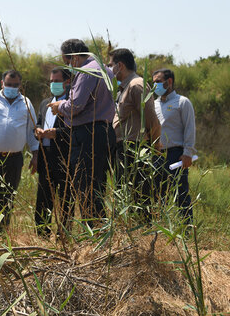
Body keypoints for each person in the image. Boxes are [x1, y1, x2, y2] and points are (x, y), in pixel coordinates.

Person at [48, 39, 116, 222]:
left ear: (74, 57)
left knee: (86, 188)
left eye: (67, 61)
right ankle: (98, 231)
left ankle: (93, 234)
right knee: (97, 187)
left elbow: (75, 105)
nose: (67, 65)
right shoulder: (105, 69)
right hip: (103, 132)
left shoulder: (86, 71)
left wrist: (59, 105)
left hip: (88, 135)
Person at [0, 70, 39, 229]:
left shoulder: (26, 103)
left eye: (15, 85)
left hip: (14, 159)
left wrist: (35, 155)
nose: (12, 87)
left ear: (20, 85)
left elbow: (31, 131)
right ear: (2, 83)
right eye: (8, 84)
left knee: (7, 197)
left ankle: (0, 232)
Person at [108, 48, 161, 204]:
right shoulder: (124, 88)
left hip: (134, 150)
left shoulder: (137, 85)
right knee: (124, 196)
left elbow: (151, 119)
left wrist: (155, 144)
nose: (110, 69)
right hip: (124, 150)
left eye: (111, 66)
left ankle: (143, 227)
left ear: (120, 66)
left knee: (139, 198)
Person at [152, 68, 196, 222]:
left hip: (176, 154)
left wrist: (188, 153)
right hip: (157, 155)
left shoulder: (182, 102)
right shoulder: (154, 104)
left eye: (158, 82)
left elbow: (190, 129)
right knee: (158, 195)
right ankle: (160, 229)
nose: (155, 85)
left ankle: (187, 229)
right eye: (153, 82)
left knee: (181, 194)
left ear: (169, 81)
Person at [34, 67, 72, 237]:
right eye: (51, 81)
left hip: (64, 157)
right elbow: (40, 122)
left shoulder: (71, 104)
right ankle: (42, 234)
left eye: (56, 81)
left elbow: (76, 131)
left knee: (65, 200)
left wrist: (55, 133)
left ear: (67, 82)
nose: (53, 84)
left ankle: (63, 236)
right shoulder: (45, 103)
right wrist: (38, 132)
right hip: (45, 156)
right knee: (43, 199)